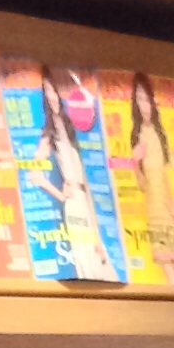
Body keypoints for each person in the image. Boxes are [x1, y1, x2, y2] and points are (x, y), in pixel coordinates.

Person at [128, 71, 174, 279]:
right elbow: (142, 186)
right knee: (171, 278)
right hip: (154, 213)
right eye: (139, 100)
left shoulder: (161, 134)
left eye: (146, 99)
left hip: (170, 210)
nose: (144, 106)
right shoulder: (136, 137)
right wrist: (134, 163)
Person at [48, 104, 117, 281]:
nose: (52, 98)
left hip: (85, 198)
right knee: (85, 255)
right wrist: (61, 194)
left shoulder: (72, 131)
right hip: (74, 203)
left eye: (54, 93)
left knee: (97, 250)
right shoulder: (50, 135)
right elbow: (35, 175)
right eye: (48, 94)